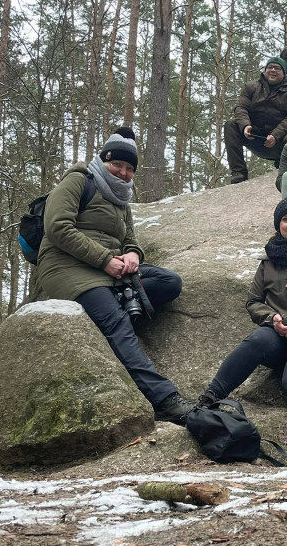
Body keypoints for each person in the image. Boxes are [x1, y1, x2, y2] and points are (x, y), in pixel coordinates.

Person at [36, 127, 196, 424]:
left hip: (109, 269)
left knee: (168, 282)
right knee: (117, 323)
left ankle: (110, 312)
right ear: (104, 160)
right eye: (117, 165)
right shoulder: (78, 180)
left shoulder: (122, 197)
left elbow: (130, 238)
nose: (123, 173)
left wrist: (133, 254)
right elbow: (57, 227)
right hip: (66, 266)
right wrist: (104, 260)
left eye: (129, 169)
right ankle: (164, 399)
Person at [197, 196, 287, 469]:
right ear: (278, 225)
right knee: (256, 340)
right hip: (280, 333)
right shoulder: (268, 261)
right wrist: (273, 318)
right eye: (286, 220)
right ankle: (207, 401)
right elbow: (253, 301)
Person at [225, 57, 287, 184]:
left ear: (284, 72)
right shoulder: (251, 87)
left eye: (277, 68)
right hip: (253, 136)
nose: (273, 70)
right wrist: (245, 126)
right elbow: (240, 107)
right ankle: (239, 173)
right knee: (231, 125)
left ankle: (283, 167)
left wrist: (275, 135)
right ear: (265, 70)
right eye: (270, 67)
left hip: (278, 141)